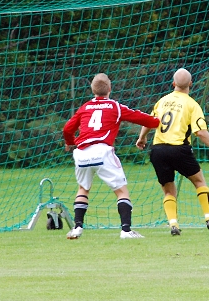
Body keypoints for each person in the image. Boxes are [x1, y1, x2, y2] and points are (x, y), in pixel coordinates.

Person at [63, 73, 159, 240]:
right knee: (121, 191)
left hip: (81, 153)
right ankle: (126, 230)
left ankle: (77, 228)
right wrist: (159, 121)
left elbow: (67, 129)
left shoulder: (84, 107)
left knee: (83, 188)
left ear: (93, 90)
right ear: (109, 88)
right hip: (102, 151)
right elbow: (141, 118)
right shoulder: (115, 106)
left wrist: (70, 142)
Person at [136, 68, 209, 236]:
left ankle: (173, 224)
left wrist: (142, 138)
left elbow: (149, 121)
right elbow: (200, 132)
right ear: (190, 84)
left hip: (158, 150)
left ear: (173, 84)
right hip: (179, 149)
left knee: (169, 190)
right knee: (200, 182)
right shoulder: (192, 104)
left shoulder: (162, 101)